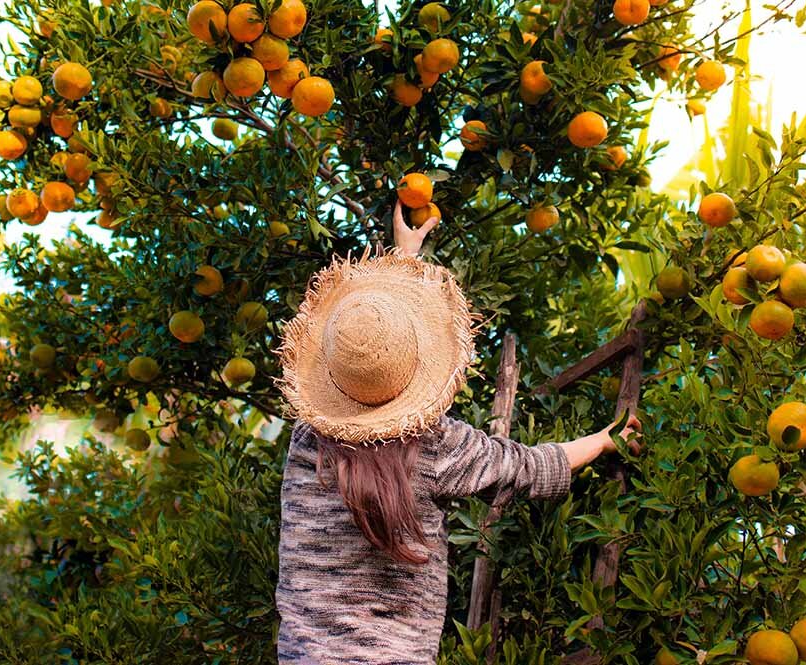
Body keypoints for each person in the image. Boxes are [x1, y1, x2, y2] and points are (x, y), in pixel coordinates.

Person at [273, 200, 640, 664]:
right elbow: (526, 467)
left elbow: (366, 355)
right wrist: (605, 440)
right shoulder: (435, 445)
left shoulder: (307, 439)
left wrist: (403, 258)